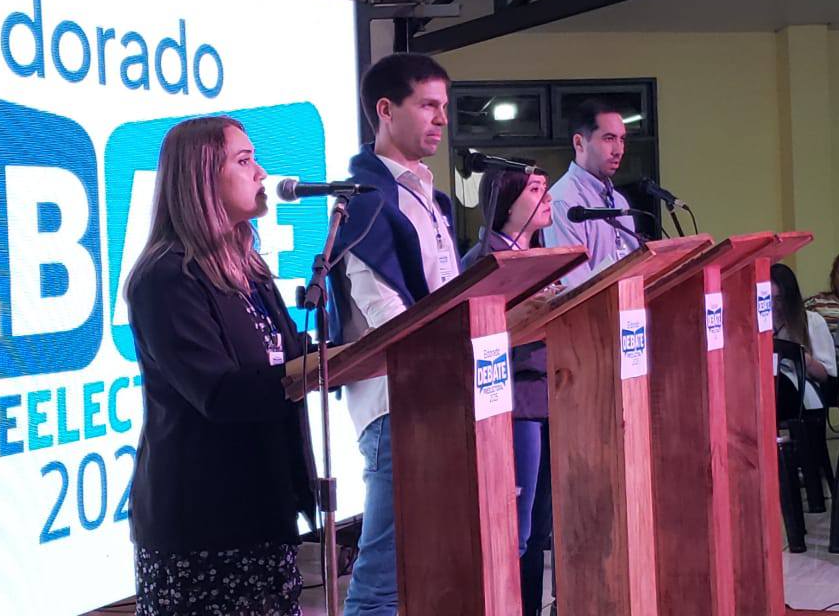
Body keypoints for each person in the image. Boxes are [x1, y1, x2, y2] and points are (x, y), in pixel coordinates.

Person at [125, 116, 319, 616]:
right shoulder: (166, 278)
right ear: (202, 178)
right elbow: (218, 393)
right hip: (203, 525)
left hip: (263, 504)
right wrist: (308, 372)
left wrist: (334, 356)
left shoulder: (249, 269)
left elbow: (284, 353)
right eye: (244, 160)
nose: (262, 173)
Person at [329, 53, 458, 616]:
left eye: (443, 107)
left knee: (432, 566)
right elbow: (388, 316)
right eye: (428, 105)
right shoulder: (363, 199)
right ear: (386, 109)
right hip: (395, 403)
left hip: (444, 390)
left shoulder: (428, 193)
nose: (442, 119)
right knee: (382, 583)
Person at [459, 163, 556, 616]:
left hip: (548, 398)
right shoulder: (485, 261)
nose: (547, 197)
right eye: (535, 189)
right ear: (506, 202)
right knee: (515, 532)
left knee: (538, 531)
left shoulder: (544, 256)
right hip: (513, 406)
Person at [543, 99, 641, 289]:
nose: (619, 150)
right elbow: (575, 287)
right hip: (595, 306)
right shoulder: (563, 202)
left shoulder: (619, 201)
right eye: (609, 138)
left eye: (622, 139)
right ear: (579, 143)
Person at [773, 262, 838, 412]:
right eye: (768, 298)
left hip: (800, 392)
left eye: (779, 299)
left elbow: (827, 377)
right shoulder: (758, 324)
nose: (773, 305)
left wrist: (805, 360)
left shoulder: (812, 321)